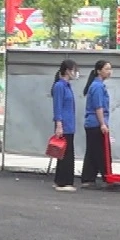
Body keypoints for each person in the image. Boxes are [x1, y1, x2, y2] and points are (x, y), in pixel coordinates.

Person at [80, 60, 113, 187]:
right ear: (99, 71)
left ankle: (88, 178)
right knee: (101, 152)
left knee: (92, 151)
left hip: (92, 124)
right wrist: (103, 124)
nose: (109, 72)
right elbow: (98, 107)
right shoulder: (98, 86)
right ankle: (107, 178)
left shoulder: (97, 85)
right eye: (106, 69)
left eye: (110, 69)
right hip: (96, 123)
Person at [50, 59, 79, 192]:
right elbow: (58, 106)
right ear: (68, 70)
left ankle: (61, 180)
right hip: (64, 124)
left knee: (66, 152)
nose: (75, 73)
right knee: (66, 154)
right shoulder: (59, 86)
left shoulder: (67, 86)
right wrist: (59, 124)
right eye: (74, 69)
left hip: (69, 124)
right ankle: (64, 182)